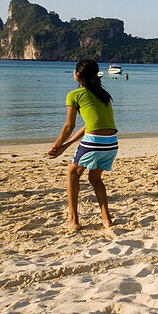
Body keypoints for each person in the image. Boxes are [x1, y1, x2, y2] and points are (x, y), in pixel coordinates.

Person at [47, 59, 117, 233]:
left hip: (95, 143)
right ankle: (106, 219)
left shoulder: (75, 95)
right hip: (111, 144)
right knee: (95, 179)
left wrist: (56, 145)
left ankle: (73, 220)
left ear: (77, 75)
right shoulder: (104, 94)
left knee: (72, 174)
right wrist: (66, 145)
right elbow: (89, 125)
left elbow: (69, 126)